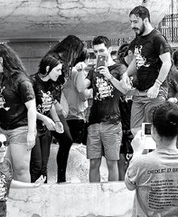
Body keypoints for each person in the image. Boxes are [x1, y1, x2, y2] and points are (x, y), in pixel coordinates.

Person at [0, 43, 37, 184]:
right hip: (4, 129)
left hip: (20, 129)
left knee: (21, 169)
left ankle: (25, 201)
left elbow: (32, 108)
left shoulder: (21, 80)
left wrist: (30, 133)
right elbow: (3, 104)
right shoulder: (2, 77)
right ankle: (11, 201)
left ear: (2, 60)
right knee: (6, 169)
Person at [87, 35, 130, 183]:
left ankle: (112, 198)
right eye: (96, 52)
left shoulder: (120, 68)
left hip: (112, 122)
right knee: (93, 163)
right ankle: (95, 197)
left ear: (109, 49)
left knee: (112, 163)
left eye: (101, 50)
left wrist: (110, 76)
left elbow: (126, 90)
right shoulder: (93, 70)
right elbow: (81, 88)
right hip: (94, 121)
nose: (99, 54)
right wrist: (80, 70)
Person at [124, 5, 172, 133]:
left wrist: (157, 85)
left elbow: (167, 62)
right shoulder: (138, 38)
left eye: (135, 22)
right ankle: (144, 152)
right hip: (139, 91)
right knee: (135, 130)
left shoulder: (157, 38)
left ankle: (151, 152)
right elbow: (137, 59)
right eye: (131, 22)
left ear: (145, 21)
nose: (132, 26)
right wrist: (126, 74)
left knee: (151, 131)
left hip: (155, 91)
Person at [53, 36, 91, 184]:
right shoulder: (69, 69)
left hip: (63, 111)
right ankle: (61, 178)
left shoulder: (66, 68)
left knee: (66, 143)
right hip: (66, 111)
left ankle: (61, 178)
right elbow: (82, 91)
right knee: (68, 143)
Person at [29, 53, 65, 183]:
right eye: (58, 70)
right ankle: (33, 194)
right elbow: (28, 108)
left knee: (44, 166)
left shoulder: (52, 84)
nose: (60, 73)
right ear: (48, 68)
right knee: (36, 165)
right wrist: (44, 118)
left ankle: (44, 195)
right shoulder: (32, 82)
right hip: (33, 127)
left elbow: (50, 104)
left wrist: (57, 121)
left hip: (46, 129)